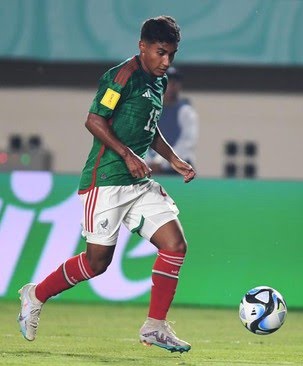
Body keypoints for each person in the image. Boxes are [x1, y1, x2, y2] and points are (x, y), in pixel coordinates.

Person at [17, 15, 195, 353]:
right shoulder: (121, 77)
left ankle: (155, 326)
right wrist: (128, 155)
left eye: (172, 54)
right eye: (160, 53)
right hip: (106, 180)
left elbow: (148, 127)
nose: (167, 61)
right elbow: (94, 120)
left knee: (175, 245)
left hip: (138, 183)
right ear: (142, 47)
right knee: (98, 263)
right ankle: (35, 294)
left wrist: (173, 158)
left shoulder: (158, 81)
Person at [148, 66, 199, 174]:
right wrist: (150, 162)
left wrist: (161, 162)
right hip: (151, 167)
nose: (171, 87)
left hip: (178, 169)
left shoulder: (186, 111)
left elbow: (186, 143)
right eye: (167, 82)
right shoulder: (151, 109)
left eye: (175, 83)